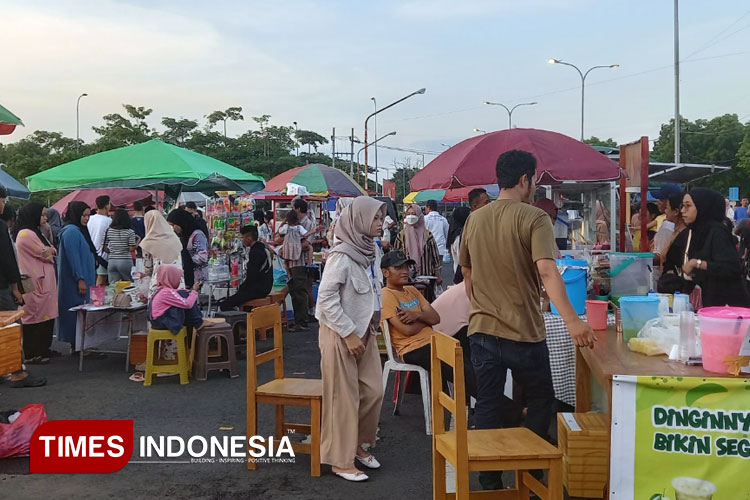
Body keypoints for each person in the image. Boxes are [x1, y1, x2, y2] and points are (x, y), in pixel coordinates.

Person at [459, 149, 595, 490]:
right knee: (540, 400)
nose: (534, 187)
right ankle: (531, 471)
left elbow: (467, 271)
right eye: (534, 180)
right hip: (524, 331)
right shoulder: (534, 218)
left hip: (482, 329)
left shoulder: (475, 218)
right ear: (525, 180)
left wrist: (481, 302)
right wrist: (573, 322)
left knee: (488, 403)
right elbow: (547, 270)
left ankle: (490, 480)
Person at [315, 196, 386, 482]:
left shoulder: (370, 251)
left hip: (364, 333)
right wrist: (347, 332)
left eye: (382, 218)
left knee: (373, 390)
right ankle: (340, 461)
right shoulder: (342, 256)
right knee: (342, 398)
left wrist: (372, 324)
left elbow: (373, 291)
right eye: (376, 219)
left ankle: (356, 444)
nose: (381, 224)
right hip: (339, 333)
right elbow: (325, 299)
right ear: (359, 221)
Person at [380, 250, 476, 401]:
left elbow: (436, 318)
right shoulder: (386, 295)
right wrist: (425, 321)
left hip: (433, 341)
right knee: (463, 371)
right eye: (398, 268)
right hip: (413, 348)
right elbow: (407, 330)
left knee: (472, 359)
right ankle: (508, 412)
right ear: (385, 272)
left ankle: (496, 409)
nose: (405, 271)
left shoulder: (412, 290)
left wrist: (416, 315)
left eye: (406, 267)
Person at [662, 188, 750, 307]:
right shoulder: (692, 231)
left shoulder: (718, 232)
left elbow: (731, 268)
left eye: (688, 206)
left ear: (702, 207)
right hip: (709, 303)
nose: (683, 210)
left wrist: (697, 263)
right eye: (682, 206)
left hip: (729, 306)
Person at [0, 187, 46, 388]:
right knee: (10, 328)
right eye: (3, 199)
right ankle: (17, 372)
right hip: (2, 285)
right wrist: (15, 287)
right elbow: (7, 258)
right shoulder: (1, 226)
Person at [13, 203, 59, 364]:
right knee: (32, 315)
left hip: (42, 280)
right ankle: (33, 353)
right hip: (31, 281)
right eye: (42, 215)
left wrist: (50, 250)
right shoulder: (25, 234)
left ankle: (43, 349)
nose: (45, 218)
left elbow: (52, 249)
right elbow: (44, 252)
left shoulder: (36, 232)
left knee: (45, 315)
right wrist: (50, 250)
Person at [57, 201, 97, 354]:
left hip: (83, 280)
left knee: (82, 314)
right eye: (84, 215)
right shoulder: (71, 232)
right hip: (76, 283)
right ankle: (78, 345)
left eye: (88, 215)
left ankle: (82, 344)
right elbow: (73, 258)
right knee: (77, 314)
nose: (87, 219)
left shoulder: (78, 230)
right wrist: (80, 279)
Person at [218, 225, 273, 311]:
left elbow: (252, 276)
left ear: (249, 238)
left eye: (243, 238)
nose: (242, 240)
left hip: (258, 290)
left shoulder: (255, 252)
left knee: (224, 304)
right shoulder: (263, 248)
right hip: (265, 286)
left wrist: (242, 288)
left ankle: (242, 321)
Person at [277, 210, 311, 330]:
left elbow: (306, 244)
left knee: (298, 292)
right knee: (297, 292)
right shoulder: (300, 228)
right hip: (296, 264)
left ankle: (301, 321)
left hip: (295, 264)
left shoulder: (288, 229)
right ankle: (300, 320)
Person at [394, 204, 442, 290]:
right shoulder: (402, 236)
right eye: (408, 214)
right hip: (408, 279)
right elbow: (395, 256)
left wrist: (438, 274)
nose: (411, 216)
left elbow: (435, 257)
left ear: (419, 216)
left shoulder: (427, 235)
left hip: (427, 278)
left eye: (414, 214)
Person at [139, 210, 184, 298]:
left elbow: (148, 269)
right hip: (178, 282)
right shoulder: (175, 239)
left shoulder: (147, 243)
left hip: (159, 285)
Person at [149, 264, 204, 334]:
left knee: (184, 294)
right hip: (163, 322)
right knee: (186, 298)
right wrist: (194, 292)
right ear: (171, 278)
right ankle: (198, 322)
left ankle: (197, 323)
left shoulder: (161, 290)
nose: (179, 281)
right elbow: (187, 304)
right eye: (178, 279)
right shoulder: (166, 292)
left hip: (157, 322)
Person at [167, 209, 208, 289]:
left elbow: (203, 257)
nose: (173, 228)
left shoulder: (197, 235)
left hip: (197, 279)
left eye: (173, 225)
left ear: (181, 222)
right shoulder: (184, 236)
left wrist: (188, 256)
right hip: (187, 277)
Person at [103, 208, 137, 283]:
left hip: (112, 261)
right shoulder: (130, 232)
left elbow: (104, 247)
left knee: (114, 287)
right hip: (125, 261)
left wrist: (113, 251)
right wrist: (137, 243)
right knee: (129, 285)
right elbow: (131, 249)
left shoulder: (109, 230)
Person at [87, 195, 112, 286]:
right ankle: (97, 299)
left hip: (91, 253)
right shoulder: (108, 221)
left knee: (93, 279)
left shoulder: (90, 219)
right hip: (103, 255)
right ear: (106, 206)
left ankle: (93, 297)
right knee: (101, 279)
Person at [447, 207, 471, 284]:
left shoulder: (453, 234)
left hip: (459, 275)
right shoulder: (460, 237)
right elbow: (463, 259)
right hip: (463, 278)